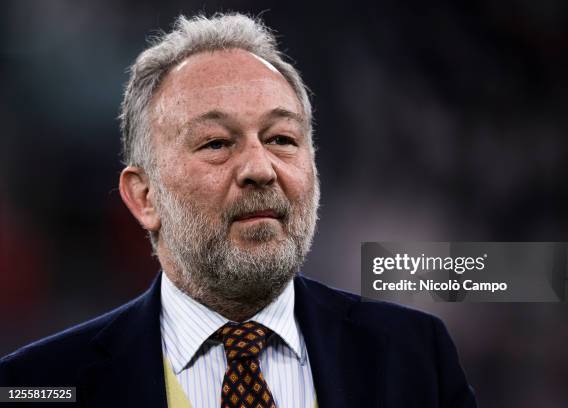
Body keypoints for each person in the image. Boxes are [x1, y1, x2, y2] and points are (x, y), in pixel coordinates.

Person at [0, 13, 477, 408]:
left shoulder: (415, 356)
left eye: (282, 139)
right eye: (216, 143)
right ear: (144, 198)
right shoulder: (36, 384)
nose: (260, 169)